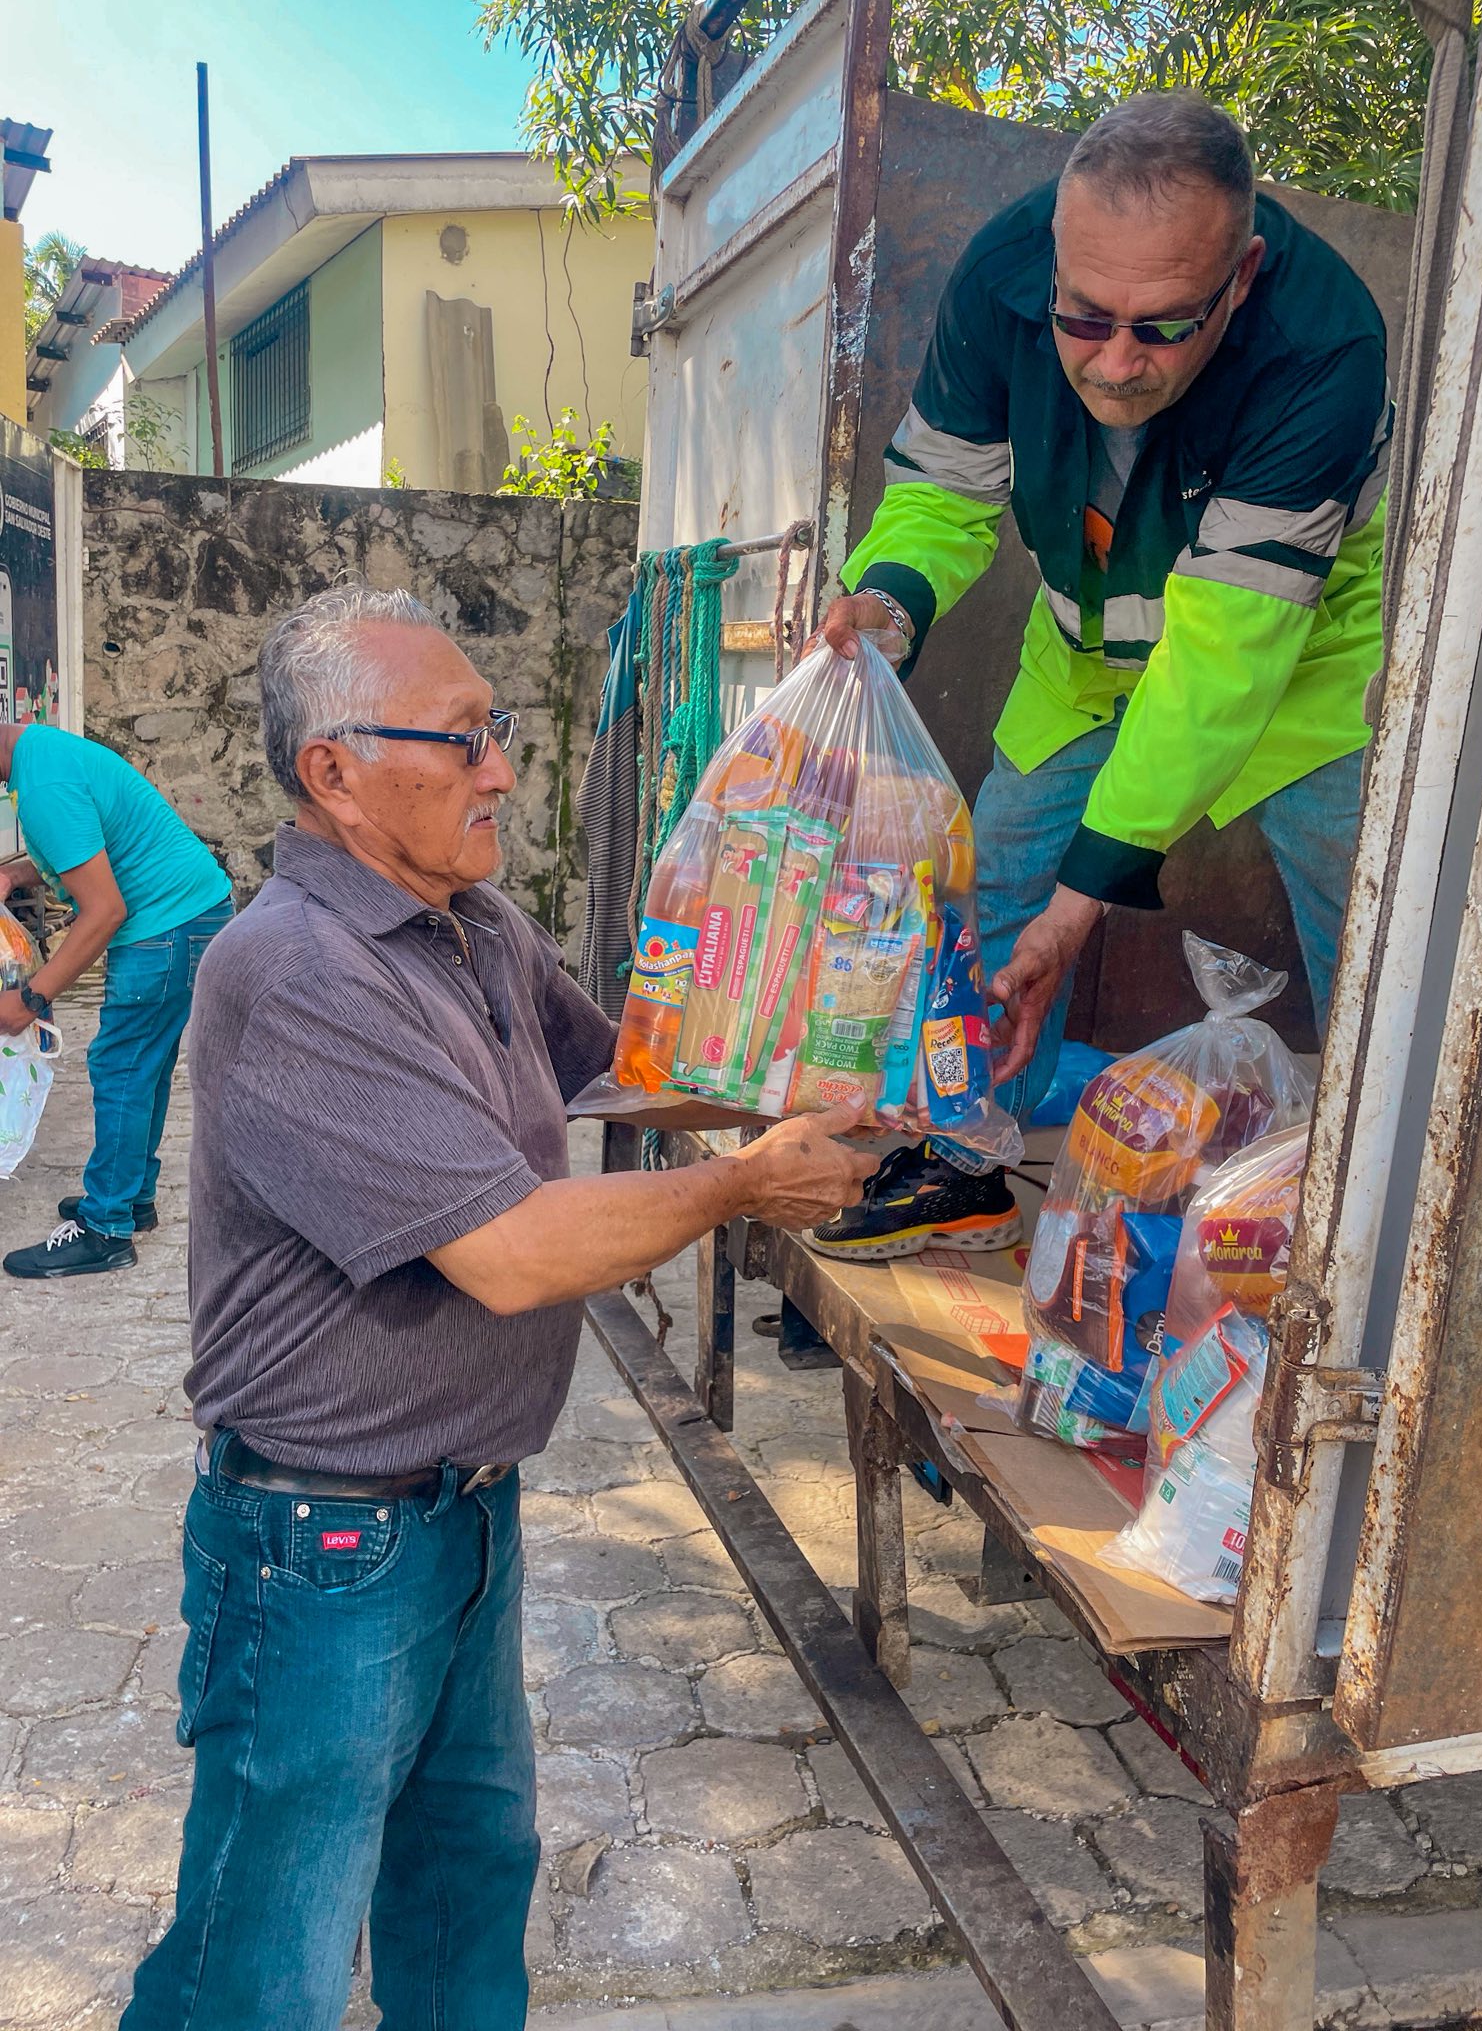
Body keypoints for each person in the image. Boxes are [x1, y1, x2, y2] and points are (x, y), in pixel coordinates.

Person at [120, 585, 874, 2031]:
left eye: (497, 731)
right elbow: (515, 1254)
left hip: (466, 1514)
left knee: (470, 1872)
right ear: (332, 772)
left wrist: (800, 1083)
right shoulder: (287, 972)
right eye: (463, 740)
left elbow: (626, 1072)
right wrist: (744, 1187)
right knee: (264, 1946)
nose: (504, 771)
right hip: (320, 1543)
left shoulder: (475, 927)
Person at [807, 91, 1389, 1261]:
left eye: (1163, 326)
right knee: (1004, 882)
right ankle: (968, 1159)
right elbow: (943, 492)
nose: (1114, 362)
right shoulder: (1001, 277)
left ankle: (1382, 1212)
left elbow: (1219, 656)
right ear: (1056, 260)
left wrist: (1087, 908)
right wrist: (889, 598)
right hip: (1084, 650)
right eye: (1085, 318)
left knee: (1377, 922)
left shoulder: (1328, 339)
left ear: (1242, 273)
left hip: (1292, 663)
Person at [0, 723, 234, 1279]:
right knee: (142, 1066)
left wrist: (29, 999)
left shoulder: (43, 789)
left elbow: (104, 911)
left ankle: (106, 1230)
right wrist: (14, 873)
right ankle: (131, 1197)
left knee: (121, 1066)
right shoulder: (41, 752)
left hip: (166, 926)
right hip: (193, 913)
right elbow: (82, 847)